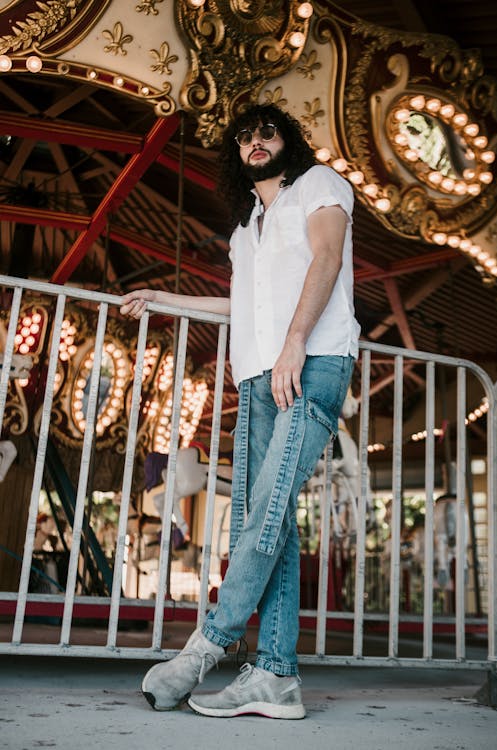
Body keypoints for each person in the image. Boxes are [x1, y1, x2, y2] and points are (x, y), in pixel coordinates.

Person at [120, 103, 360, 719]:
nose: (256, 141)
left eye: (267, 131)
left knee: (265, 513)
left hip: (309, 366)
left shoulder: (319, 186)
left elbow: (328, 260)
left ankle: (204, 650)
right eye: (245, 135)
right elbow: (239, 306)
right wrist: (161, 297)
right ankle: (276, 676)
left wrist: (295, 344)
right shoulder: (245, 228)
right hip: (255, 381)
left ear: (288, 140)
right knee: (267, 521)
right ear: (236, 152)